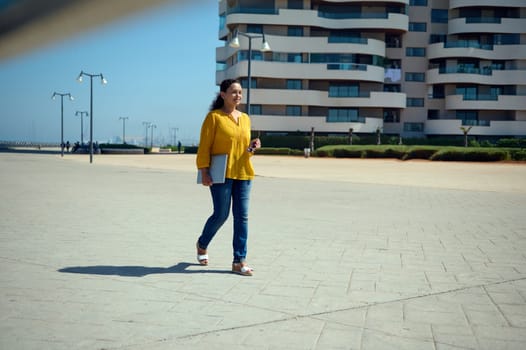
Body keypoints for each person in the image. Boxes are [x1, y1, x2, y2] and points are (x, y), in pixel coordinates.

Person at [195, 79, 261, 276]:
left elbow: (243, 150)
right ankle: (202, 243)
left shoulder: (246, 118)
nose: (238, 96)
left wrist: (252, 148)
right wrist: (204, 171)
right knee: (221, 214)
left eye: (240, 92)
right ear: (223, 94)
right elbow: (204, 146)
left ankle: (239, 261)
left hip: (244, 173)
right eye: (233, 92)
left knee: (242, 217)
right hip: (221, 175)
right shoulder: (214, 118)